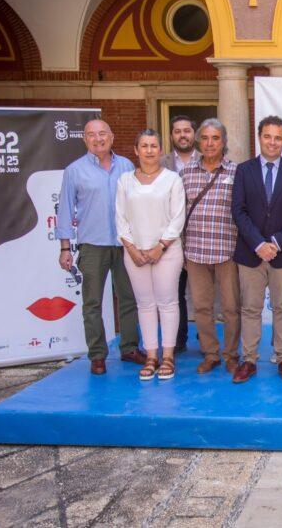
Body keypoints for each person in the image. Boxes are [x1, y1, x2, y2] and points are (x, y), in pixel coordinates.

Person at [56, 119, 145, 375]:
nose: (98, 139)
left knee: (128, 298)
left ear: (112, 137)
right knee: (92, 302)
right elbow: (64, 211)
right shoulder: (74, 170)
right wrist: (65, 248)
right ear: (84, 139)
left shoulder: (126, 166)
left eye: (102, 133)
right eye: (91, 135)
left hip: (124, 244)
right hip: (92, 246)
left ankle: (129, 347)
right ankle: (97, 354)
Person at [231, 116, 282, 383]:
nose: (272, 142)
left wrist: (274, 243)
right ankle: (249, 360)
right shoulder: (244, 170)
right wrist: (259, 243)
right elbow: (238, 211)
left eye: (278, 137)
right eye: (268, 136)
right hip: (250, 253)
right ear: (259, 137)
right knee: (250, 309)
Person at [116, 129, 186, 380]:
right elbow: (120, 219)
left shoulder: (172, 179)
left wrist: (160, 246)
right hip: (135, 253)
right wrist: (133, 249)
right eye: (144, 146)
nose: (148, 150)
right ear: (136, 150)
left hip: (166, 251)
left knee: (167, 304)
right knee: (144, 305)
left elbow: (178, 217)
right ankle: (151, 356)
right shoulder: (125, 180)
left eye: (153, 146)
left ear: (160, 150)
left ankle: (167, 356)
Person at [180, 119, 241, 375]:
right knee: (202, 307)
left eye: (215, 138)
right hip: (195, 251)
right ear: (198, 141)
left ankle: (231, 354)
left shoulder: (236, 172)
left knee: (230, 307)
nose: (209, 143)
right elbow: (178, 213)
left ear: (223, 142)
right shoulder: (185, 174)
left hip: (227, 250)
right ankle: (211, 353)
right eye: (205, 138)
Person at [160, 115, 199, 353]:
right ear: (172, 135)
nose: (182, 135)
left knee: (205, 295)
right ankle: (179, 339)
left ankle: (207, 339)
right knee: (174, 291)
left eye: (187, 130)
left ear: (194, 134)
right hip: (170, 238)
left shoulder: (209, 160)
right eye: (177, 131)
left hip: (200, 237)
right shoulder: (160, 163)